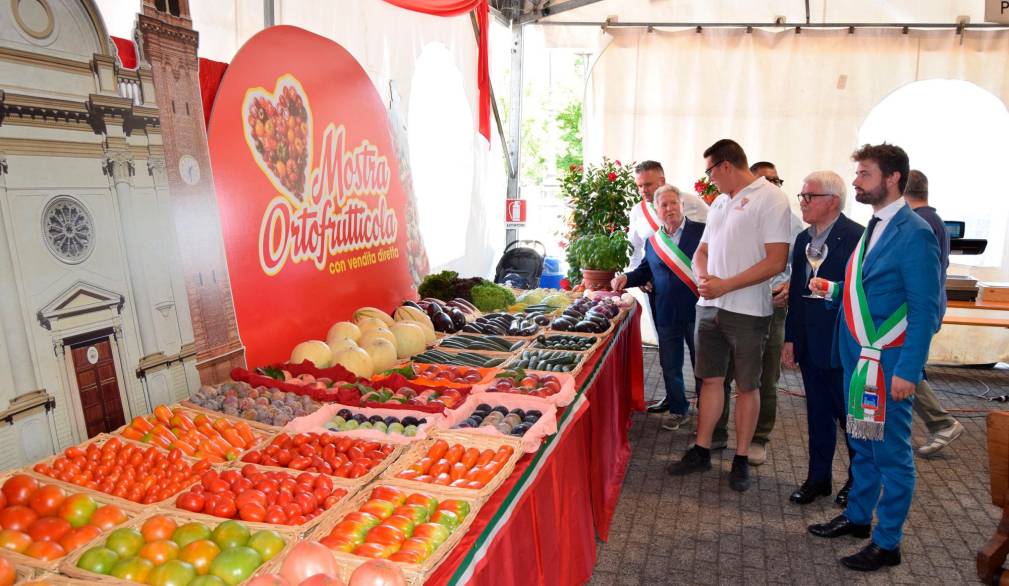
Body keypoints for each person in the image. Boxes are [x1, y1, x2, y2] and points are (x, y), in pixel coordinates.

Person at [807, 143, 941, 572]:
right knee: (863, 442)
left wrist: (909, 370)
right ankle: (860, 518)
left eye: (864, 174)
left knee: (891, 454)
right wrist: (832, 292)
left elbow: (925, 310)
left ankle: (888, 543)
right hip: (859, 360)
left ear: (892, 178)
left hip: (888, 366)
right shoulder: (875, 225)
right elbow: (867, 291)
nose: (856, 182)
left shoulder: (915, 233)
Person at [666, 139, 791, 493]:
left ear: (724, 165)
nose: (709, 181)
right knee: (710, 379)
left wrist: (727, 285)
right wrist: (704, 278)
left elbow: (776, 261)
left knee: (748, 386)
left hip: (748, 310)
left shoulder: (771, 198)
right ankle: (702, 448)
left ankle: (740, 459)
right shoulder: (720, 202)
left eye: (709, 172)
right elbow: (702, 250)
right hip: (710, 307)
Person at [711, 161, 803, 465]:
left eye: (776, 181)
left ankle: (759, 439)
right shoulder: (734, 212)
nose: (772, 187)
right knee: (721, 373)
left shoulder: (791, 220)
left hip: (773, 307)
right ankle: (717, 431)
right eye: (765, 181)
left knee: (765, 377)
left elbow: (805, 265)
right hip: (734, 303)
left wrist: (790, 284)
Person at [781, 170, 862, 506]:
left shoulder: (857, 237)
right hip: (811, 343)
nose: (802, 201)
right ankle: (818, 478)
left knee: (850, 418)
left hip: (842, 344)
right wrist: (790, 339)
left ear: (832, 201)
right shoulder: (803, 240)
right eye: (801, 195)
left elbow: (861, 294)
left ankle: (857, 483)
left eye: (808, 196)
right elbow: (799, 293)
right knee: (817, 414)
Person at [613, 186, 705, 430]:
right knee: (670, 364)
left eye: (674, 203)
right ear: (656, 211)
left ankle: (706, 415)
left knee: (702, 365)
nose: (670, 209)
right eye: (664, 205)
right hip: (666, 311)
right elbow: (645, 270)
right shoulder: (653, 242)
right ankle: (678, 410)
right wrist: (626, 278)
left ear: (682, 205)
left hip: (699, 310)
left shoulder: (702, 232)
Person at [630, 161, 708, 414]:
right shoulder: (638, 211)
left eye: (649, 184)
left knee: (702, 359)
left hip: (694, 297)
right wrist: (639, 278)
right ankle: (676, 404)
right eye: (640, 185)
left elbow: (708, 247)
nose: (644, 190)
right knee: (669, 358)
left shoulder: (693, 204)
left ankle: (707, 409)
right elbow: (637, 252)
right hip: (659, 295)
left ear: (662, 180)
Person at [903, 169, 965, 455]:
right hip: (927, 305)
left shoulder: (920, 222)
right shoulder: (933, 219)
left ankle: (942, 422)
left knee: (907, 367)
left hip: (915, 309)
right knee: (910, 367)